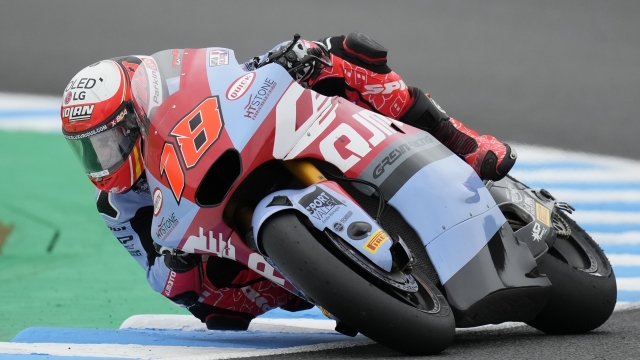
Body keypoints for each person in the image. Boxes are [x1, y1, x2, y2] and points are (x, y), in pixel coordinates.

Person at [60, 33, 516, 330]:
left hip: (247, 147)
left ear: (136, 117)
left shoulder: (172, 93)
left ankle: (461, 140)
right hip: (238, 252)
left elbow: (231, 78)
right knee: (210, 308)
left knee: (344, 53)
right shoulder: (118, 205)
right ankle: (327, 277)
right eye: (90, 150)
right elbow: (156, 277)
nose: (104, 161)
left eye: (111, 142)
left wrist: (289, 57)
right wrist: (175, 264)